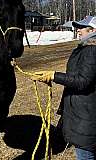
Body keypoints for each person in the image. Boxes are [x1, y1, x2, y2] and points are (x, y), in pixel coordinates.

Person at [32, 16, 96, 160]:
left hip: (86, 117)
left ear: (93, 30)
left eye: (82, 27)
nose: (78, 30)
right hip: (85, 114)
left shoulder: (91, 50)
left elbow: (82, 81)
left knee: (85, 155)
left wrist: (54, 76)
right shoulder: (87, 49)